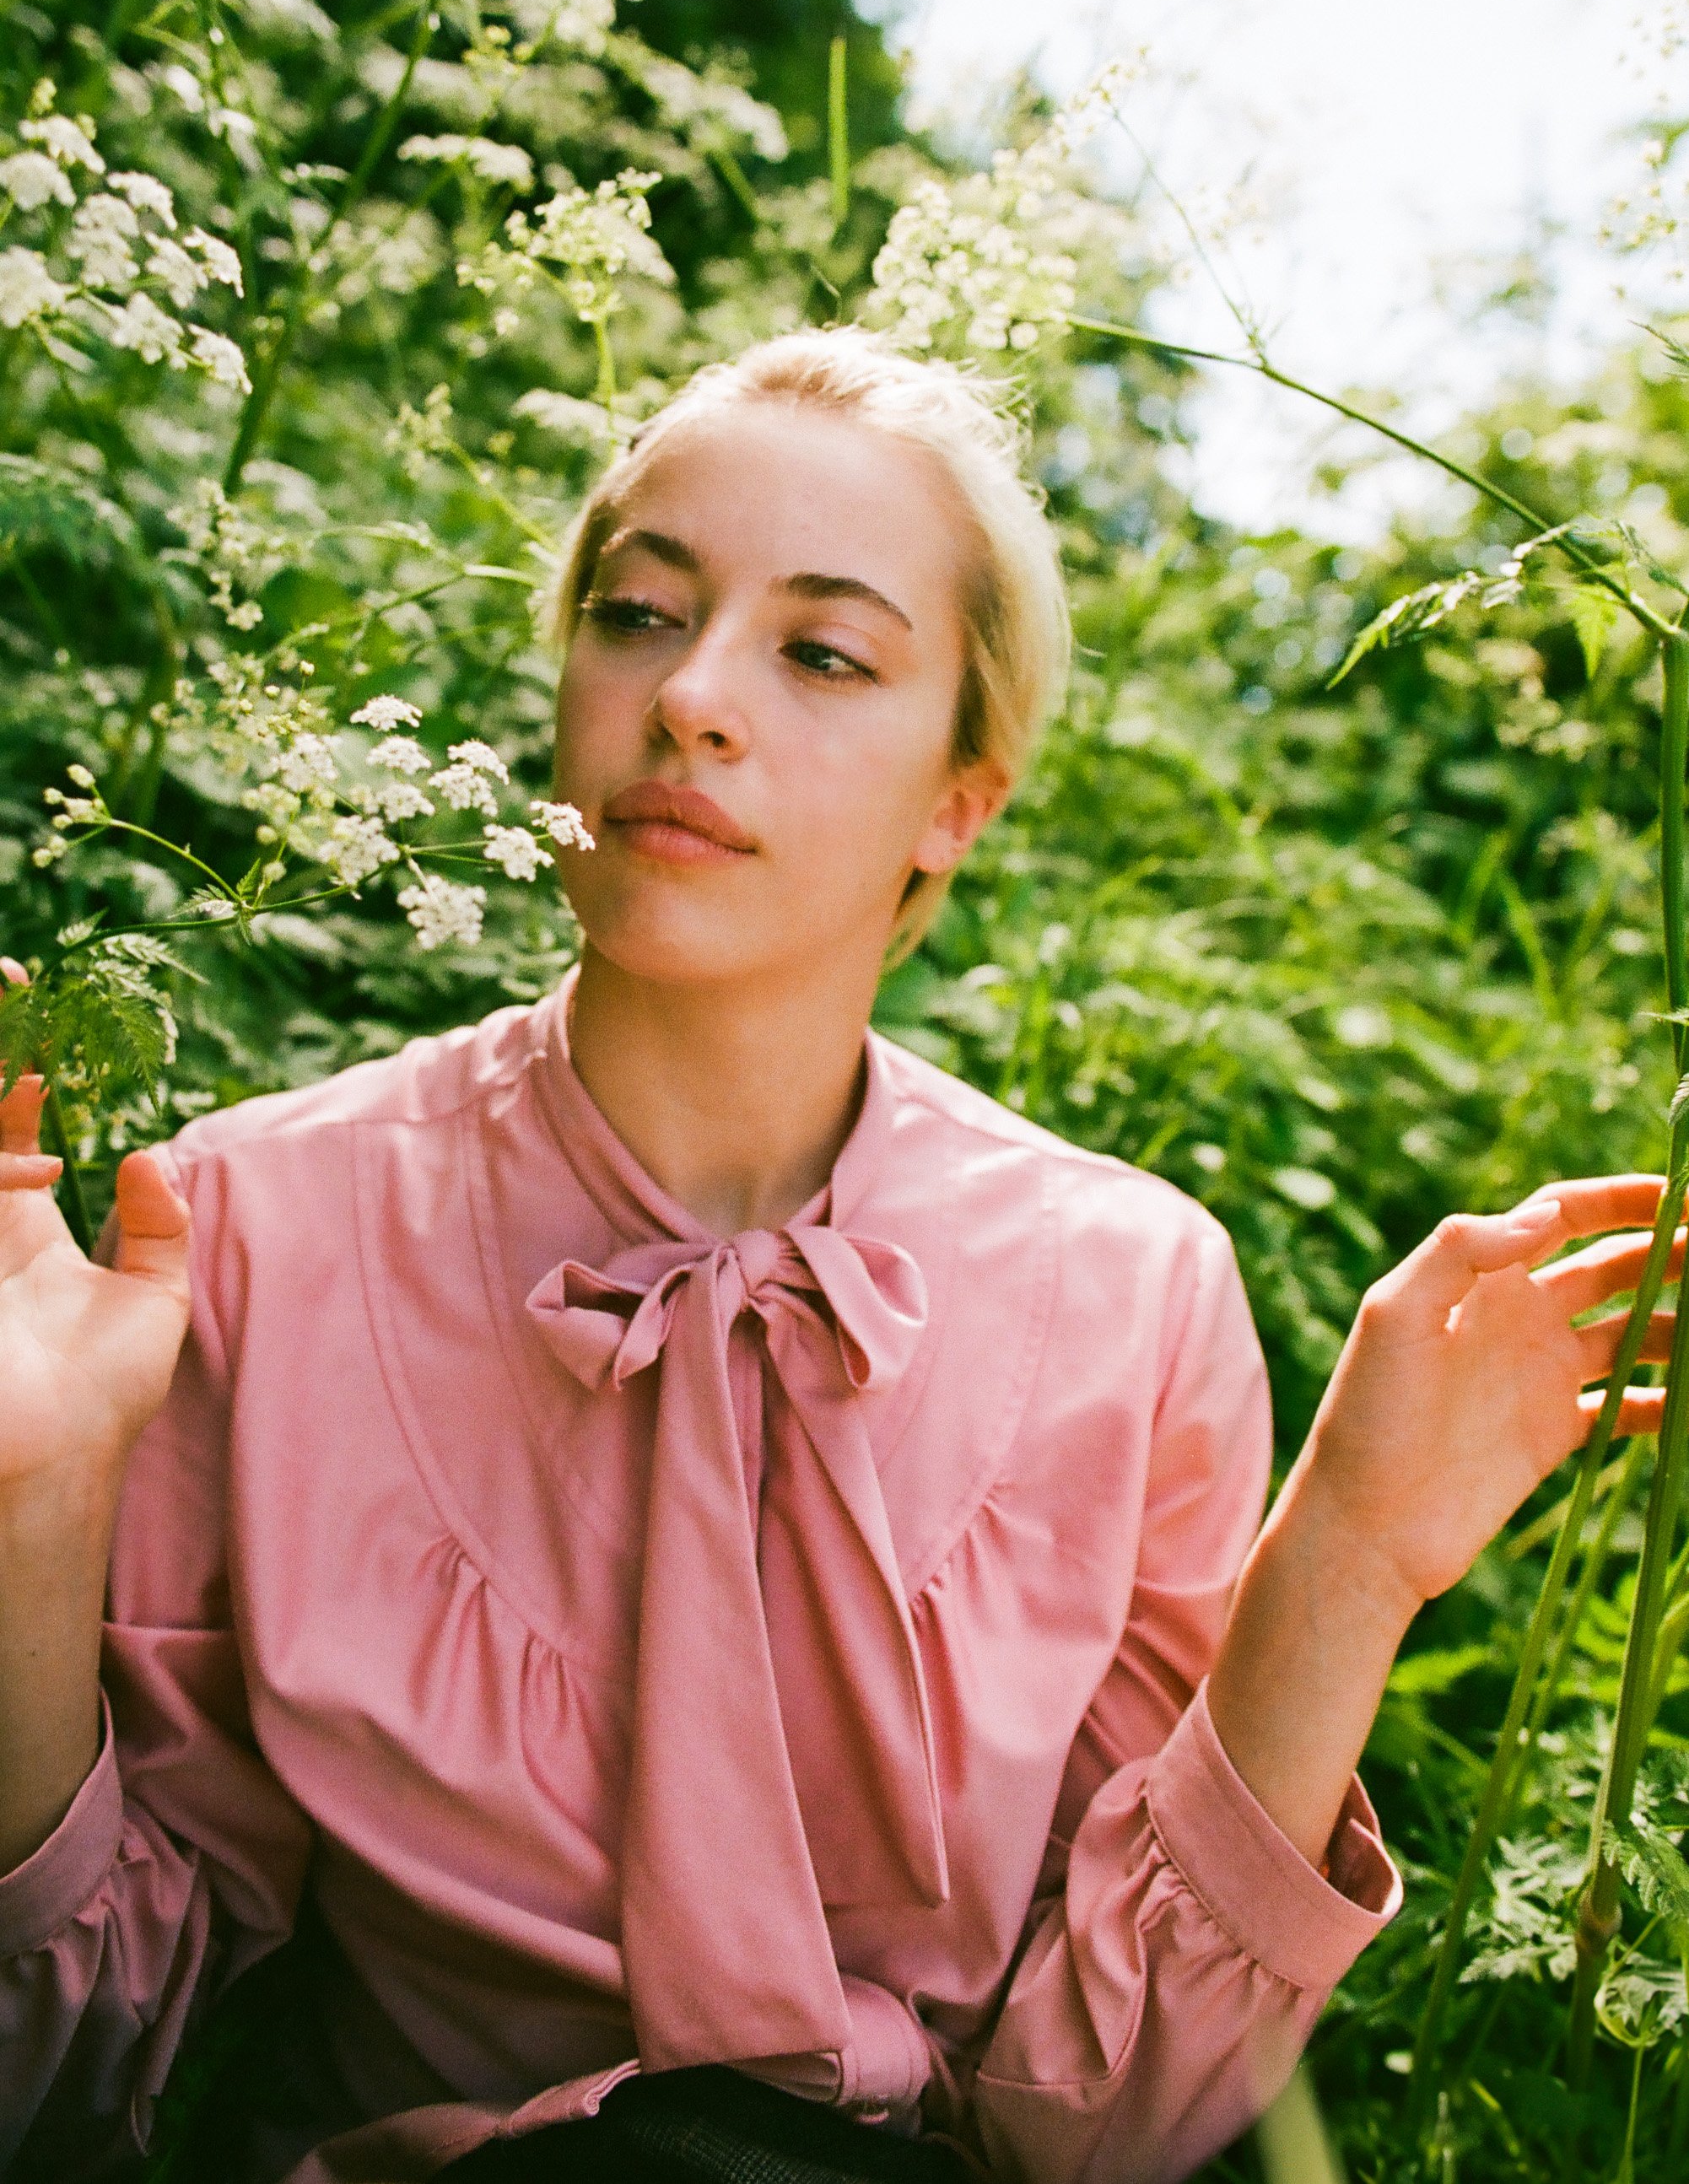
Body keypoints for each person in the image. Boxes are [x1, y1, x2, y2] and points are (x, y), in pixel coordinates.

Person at [0, 331, 1672, 2184]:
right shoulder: (243, 1226)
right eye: (637, 613)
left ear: (961, 796)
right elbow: (84, 2084)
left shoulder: (1131, 1296)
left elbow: (1093, 2134)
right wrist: (30, 1509)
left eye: (819, 651)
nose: (693, 698)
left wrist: (1344, 1555)